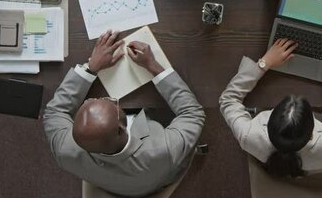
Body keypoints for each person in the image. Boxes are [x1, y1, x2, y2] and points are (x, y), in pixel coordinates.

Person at [42, 30, 205, 197]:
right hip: (156, 179)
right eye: (109, 101)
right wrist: (153, 66)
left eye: (91, 101)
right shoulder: (165, 149)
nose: (96, 99)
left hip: (107, 184)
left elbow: (54, 111)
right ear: (121, 127)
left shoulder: (64, 149)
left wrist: (91, 68)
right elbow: (193, 113)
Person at [219, 38, 322, 177]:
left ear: (268, 125)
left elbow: (228, 100)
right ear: (312, 134)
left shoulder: (248, 135)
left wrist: (264, 64)